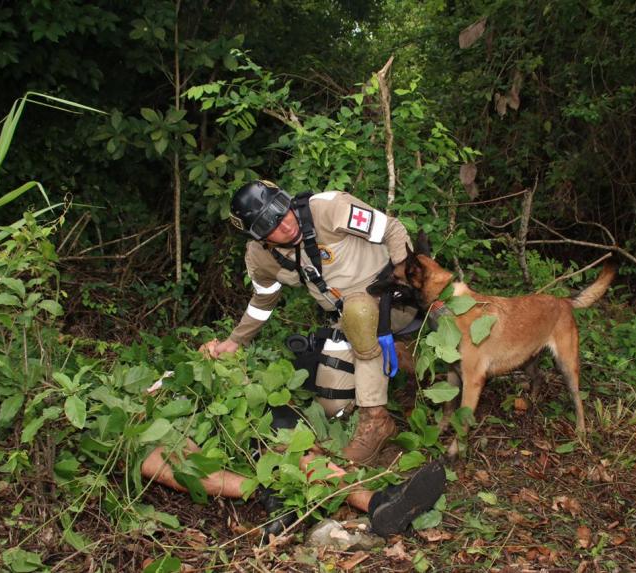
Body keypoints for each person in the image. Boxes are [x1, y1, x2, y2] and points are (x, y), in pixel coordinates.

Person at [200, 180, 419, 466]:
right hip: (349, 322)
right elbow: (263, 300)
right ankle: (400, 357)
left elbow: (393, 229)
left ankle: (376, 422)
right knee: (333, 404)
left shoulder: (329, 208)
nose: (284, 224)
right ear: (259, 237)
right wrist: (235, 341)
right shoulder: (261, 256)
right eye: (269, 225)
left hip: (396, 299)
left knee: (359, 312)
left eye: (281, 210)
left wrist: (407, 277)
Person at [140, 433, 446, 538]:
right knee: (161, 461)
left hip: (243, 435)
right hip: (199, 447)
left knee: (291, 446)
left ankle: (379, 503)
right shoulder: (151, 399)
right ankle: (269, 495)